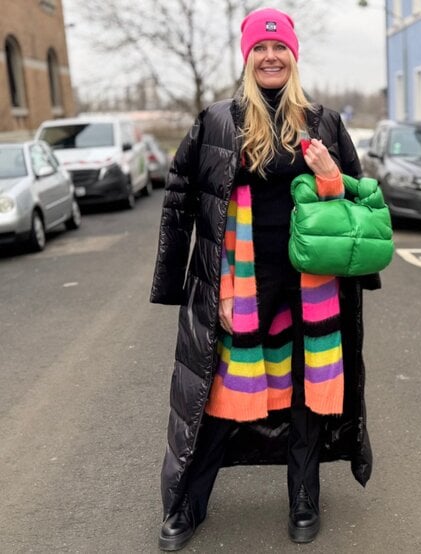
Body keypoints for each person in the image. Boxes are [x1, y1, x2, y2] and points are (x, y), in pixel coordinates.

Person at [150, 7, 378, 551]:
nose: (271, 56)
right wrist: (188, 283)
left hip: (312, 281)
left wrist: (329, 177)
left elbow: (358, 206)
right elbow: (180, 197)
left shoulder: (323, 122)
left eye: (280, 49)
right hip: (243, 281)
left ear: (293, 57)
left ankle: (304, 499)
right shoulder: (217, 120)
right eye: (260, 49)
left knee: (304, 389)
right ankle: (187, 505)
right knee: (223, 391)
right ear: (248, 57)